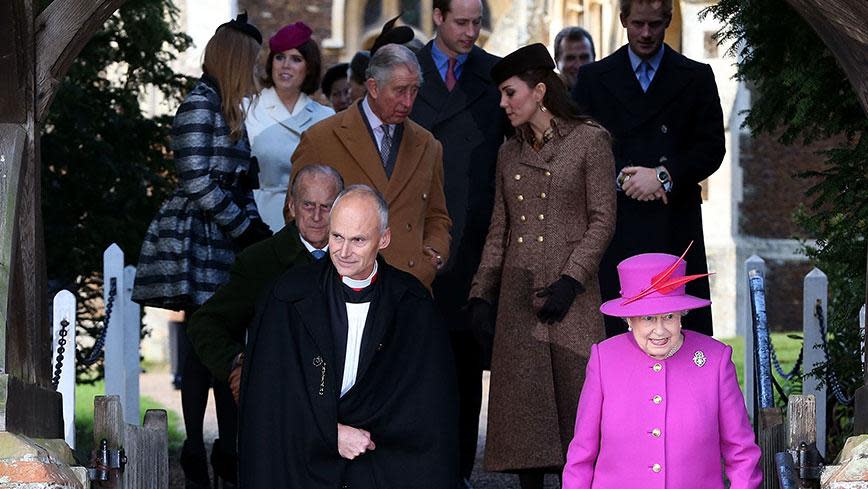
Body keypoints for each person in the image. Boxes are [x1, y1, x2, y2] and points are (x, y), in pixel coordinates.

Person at [238, 185, 459, 488]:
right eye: (336, 237)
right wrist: (329, 433)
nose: (343, 252)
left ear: (384, 239)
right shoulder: (287, 298)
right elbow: (268, 400)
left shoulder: (412, 304)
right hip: (301, 460)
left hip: (379, 459)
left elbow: (428, 413)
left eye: (358, 240)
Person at [468, 43, 616, 489]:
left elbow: (604, 218)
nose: (503, 103)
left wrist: (572, 280)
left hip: (574, 298)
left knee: (581, 416)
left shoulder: (590, 140)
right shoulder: (507, 153)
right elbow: (500, 230)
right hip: (519, 299)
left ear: (538, 90)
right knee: (525, 425)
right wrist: (480, 292)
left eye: (510, 93)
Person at [132, 13, 270, 489]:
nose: (259, 70)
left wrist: (254, 226)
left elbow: (234, 179)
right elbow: (195, 182)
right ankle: (196, 445)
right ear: (237, 61)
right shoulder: (199, 104)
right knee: (203, 339)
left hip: (225, 237)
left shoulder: (225, 107)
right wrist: (243, 226)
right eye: (254, 61)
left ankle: (226, 447)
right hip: (200, 239)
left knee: (224, 337)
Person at [572, 0, 725, 338]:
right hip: (616, 227)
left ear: (667, 21)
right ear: (623, 19)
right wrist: (623, 178)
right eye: (638, 23)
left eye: (655, 24)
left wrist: (663, 175)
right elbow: (578, 147)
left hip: (674, 227)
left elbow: (712, 147)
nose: (646, 33)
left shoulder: (696, 77)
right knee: (618, 336)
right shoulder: (593, 78)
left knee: (678, 335)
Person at [409, 0, 509, 485]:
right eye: (462, 22)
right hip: (414, 239)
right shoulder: (407, 70)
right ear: (438, 17)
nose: (472, 32)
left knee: (467, 368)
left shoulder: (495, 76)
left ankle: (460, 474)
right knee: (415, 365)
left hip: (474, 241)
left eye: (477, 23)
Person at [562, 249, 762, 489]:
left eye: (668, 316)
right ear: (629, 319)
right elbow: (581, 457)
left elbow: (742, 455)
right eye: (647, 318)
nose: (660, 330)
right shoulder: (604, 359)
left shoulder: (715, 360)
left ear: (682, 314)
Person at [291, 43, 452, 289]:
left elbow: (437, 215)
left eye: (414, 91)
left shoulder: (428, 144)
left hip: (410, 289)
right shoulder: (321, 138)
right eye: (399, 91)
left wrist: (432, 255)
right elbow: (297, 215)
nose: (408, 102)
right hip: (338, 289)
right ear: (373, 87)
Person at [187, 164, 344, 401]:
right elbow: (206, 323)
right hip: (282, 398)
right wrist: (237, 364)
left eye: (326, 206)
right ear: (292, 206)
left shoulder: (358, 257)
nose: (316, 216)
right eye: (308, 205)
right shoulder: (260, 262)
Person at [245, 22, 334, 233]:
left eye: (296, 59)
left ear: (309, 67)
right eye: (279, 57)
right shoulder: (247, 110)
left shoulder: (326, 118)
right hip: (257, 221)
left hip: (311, 226)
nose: (286, 65)